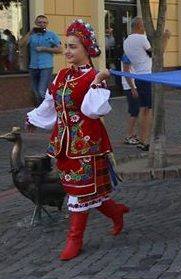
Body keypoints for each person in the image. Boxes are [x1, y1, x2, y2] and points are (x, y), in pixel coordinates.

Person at [26, 19, 129, 261]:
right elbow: (51, 102)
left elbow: (93, 110)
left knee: (79, 194)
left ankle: (74, 240)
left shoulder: (95, 76)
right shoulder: (61, 74)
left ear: (86, 49)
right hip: (64, 144)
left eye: (73, 46)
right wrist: (35, 118)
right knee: (84, 192)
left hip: (87, 144)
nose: (67, 51)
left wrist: (96, 82)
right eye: (66, 45)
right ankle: (116, 212)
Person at [122, 18, 154, 150]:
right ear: (139, 26)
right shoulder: (141, 38)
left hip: (139, 77)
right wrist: (165, 38)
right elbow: (154, 53)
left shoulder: (127, 41)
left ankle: (143, 139)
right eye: (144, 25)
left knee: (142, 109)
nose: (145, 27)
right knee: (146, 110)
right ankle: (144, 140)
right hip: (146, 75)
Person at [22, 15, 62, 104]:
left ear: (47, 24)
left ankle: (43, 111)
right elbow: (21, 44)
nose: (42, 24)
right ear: (36, 23)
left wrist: (45, 49)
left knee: (41, 91)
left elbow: (60, 49)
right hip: (33, 66)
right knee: (35, 91)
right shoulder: (32, 35)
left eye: (44, 22)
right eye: (39, 22)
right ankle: (40, 110)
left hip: (46, 66)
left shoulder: (52, 35)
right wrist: (30, 33)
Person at [119, 54, 142, 147]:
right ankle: (129, 135)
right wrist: (132, 88)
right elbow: (126, 71)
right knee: (134, 111)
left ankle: (133, 134)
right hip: (131, 87)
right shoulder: (127, 55)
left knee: (137, 111)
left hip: (136, 85)